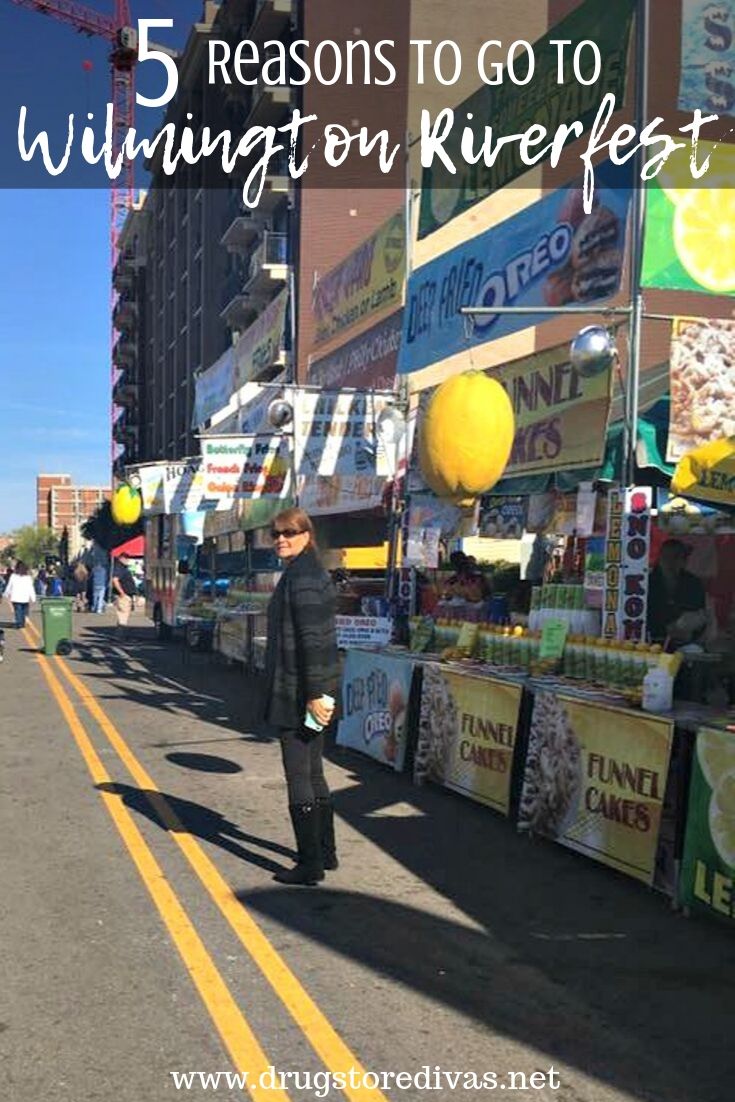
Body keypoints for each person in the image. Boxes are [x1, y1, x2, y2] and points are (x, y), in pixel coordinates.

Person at [263, 507, 339, 886]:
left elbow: (312, 639)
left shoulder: (302, 577)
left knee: (299, 775)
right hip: (312, 688)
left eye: (290, 532)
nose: (281, 538)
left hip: (299, 690)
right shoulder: (306, 571)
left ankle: (310, 862)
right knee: (314, 770)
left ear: (307, 534)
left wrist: (313, 694)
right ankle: (326, 851)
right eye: (276, 533)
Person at [648, 538, 708, 646]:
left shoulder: (694, 583)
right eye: (666, 557)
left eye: (676, 557)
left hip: (686, 642)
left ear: (684, 560)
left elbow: (700, 615)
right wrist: (666, 628)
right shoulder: (647, 582)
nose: (670, 561)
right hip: (652, 641)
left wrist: (689, 632)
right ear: (660, 557)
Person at [4, 561, 36, 629]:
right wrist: (33, 597)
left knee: (18, 611)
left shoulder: (13, 576)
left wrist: (6, 593)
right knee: (23, 611)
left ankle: (19, 623)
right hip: (25, 597)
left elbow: (9, 586)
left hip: (16, 597)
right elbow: (31, 588)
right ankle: (21, 623)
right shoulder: (28, 577)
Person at [111, 553, 137, 633]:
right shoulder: (120, 568)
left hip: (126, 594)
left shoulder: (122, 567)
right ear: (121, 558)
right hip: (123, 595)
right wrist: (122, 592)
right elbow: (115, 580)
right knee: (123, 614)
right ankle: (120, 634)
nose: (128, 560)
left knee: (123, 614)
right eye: (127, 558)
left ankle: (120, 633)